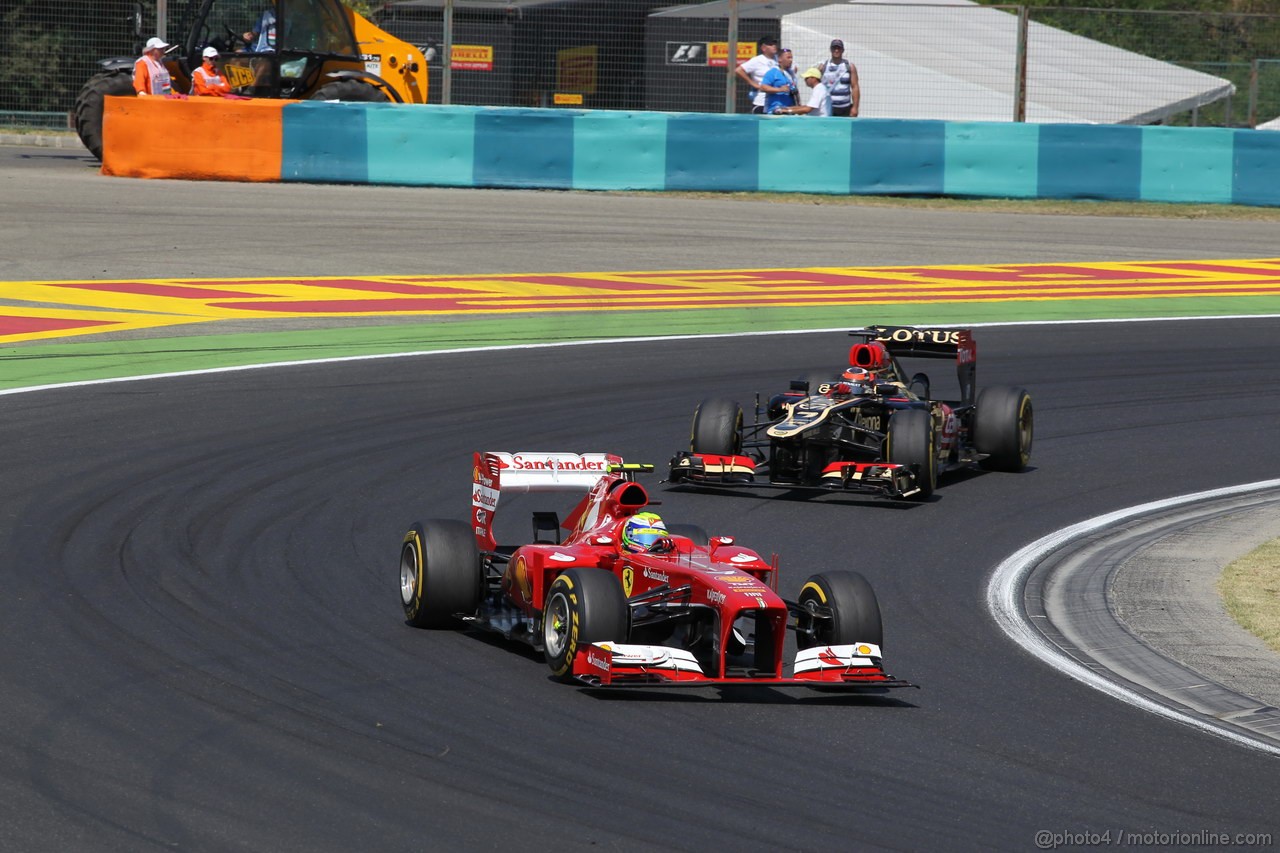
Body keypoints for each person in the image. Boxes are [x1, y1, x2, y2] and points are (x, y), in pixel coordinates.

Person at [734, 36, 779, 115]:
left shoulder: (778, 59)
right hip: (761, 101)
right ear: (763, 47)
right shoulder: (757, 60)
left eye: (775, 44)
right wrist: (753, 84)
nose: (774, 46)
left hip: (776, 101)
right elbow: (739, 70)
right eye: (771, 44)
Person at [817, 39, 860, 117]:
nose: (836, 50)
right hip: (828, 107)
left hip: (845, 108)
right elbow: (815, 84)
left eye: (839, 48)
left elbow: (855, 87)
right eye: (834, 48)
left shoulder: (850, 66)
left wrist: (855, 107)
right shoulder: (823, 66)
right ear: (830, 50)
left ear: (842, 50)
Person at [761, 50, 800, 115]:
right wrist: (780, 89)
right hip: (775, 111)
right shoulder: (773, 72)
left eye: (791, 58)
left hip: (789, 110)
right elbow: (763, 87)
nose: (791, 60)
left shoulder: (791, 74)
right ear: (779, 59)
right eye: (788, 57)